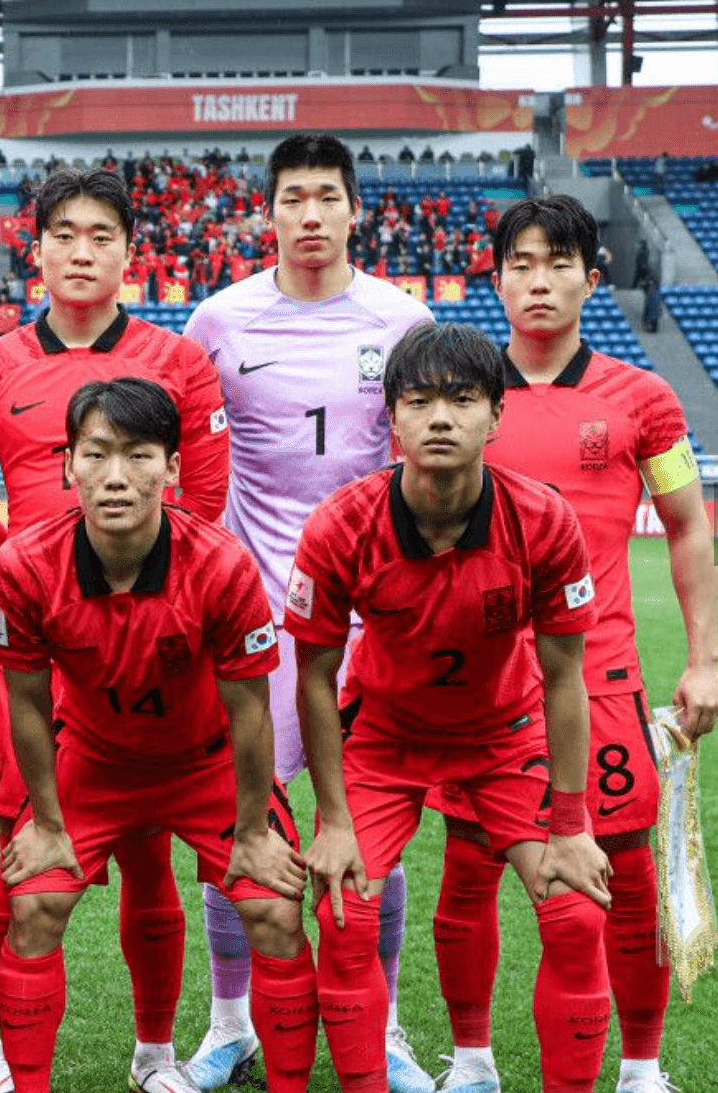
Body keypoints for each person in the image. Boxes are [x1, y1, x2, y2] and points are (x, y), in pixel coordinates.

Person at [428, 196, 717, 1093]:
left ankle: (639, 1069)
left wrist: (706, 658)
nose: (539, 280)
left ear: (593, 279)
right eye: (521, 262)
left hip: (602, 681)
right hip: (481, 687)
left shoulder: (643, 399)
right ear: (497, 277)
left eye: (559, 263)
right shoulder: (463, 397)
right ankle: (471, 1059)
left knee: (622, 881)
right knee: (469, 874)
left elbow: (687, 529)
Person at [0, 165, 230, 1093]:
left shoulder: (178, 360)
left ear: (129, 251)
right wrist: (28, 572)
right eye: (64, 234)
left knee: (152, 854)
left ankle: (154, 1054)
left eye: (102, 235)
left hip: (153, 646)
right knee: (18, 851)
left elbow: (208, 500)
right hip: (39, 642)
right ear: (34, 251)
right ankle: (10, 1049)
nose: (82, 251)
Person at [290, 322, 613, 1093]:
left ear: (496, 416)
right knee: (345, 913)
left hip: (505, 736)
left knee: (575, 913)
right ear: (392, 419)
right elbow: (313, 677)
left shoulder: (543, 520)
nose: (441, 418)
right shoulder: (341, 524)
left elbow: (566, 675)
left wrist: (570, 826)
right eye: (420, 400)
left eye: (463, 399)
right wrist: (333, 824)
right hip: (385, 741)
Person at [181, 133, 435, 1092]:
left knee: (373, 824)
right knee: (241, 816)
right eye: (295, 198)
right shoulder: (219, 320)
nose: (312, 214)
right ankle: (230, 1023)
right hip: (252, 616)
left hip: (371, 616)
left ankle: (389, 1026)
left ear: (356, 209)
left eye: (329, 196)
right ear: (270, 212)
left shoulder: (401, 318)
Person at [0, 378, 318, 1093]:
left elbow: (252, 711)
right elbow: (27, 701)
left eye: (138, 455)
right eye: (96, 454)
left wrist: (257, 832)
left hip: (206, 766)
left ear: (172, 468)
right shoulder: (23, 564)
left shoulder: (222, 564)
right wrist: (45, 821)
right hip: (94, 760)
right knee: (34, 902)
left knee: (274, 909)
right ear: (66, 465)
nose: (115, 477)